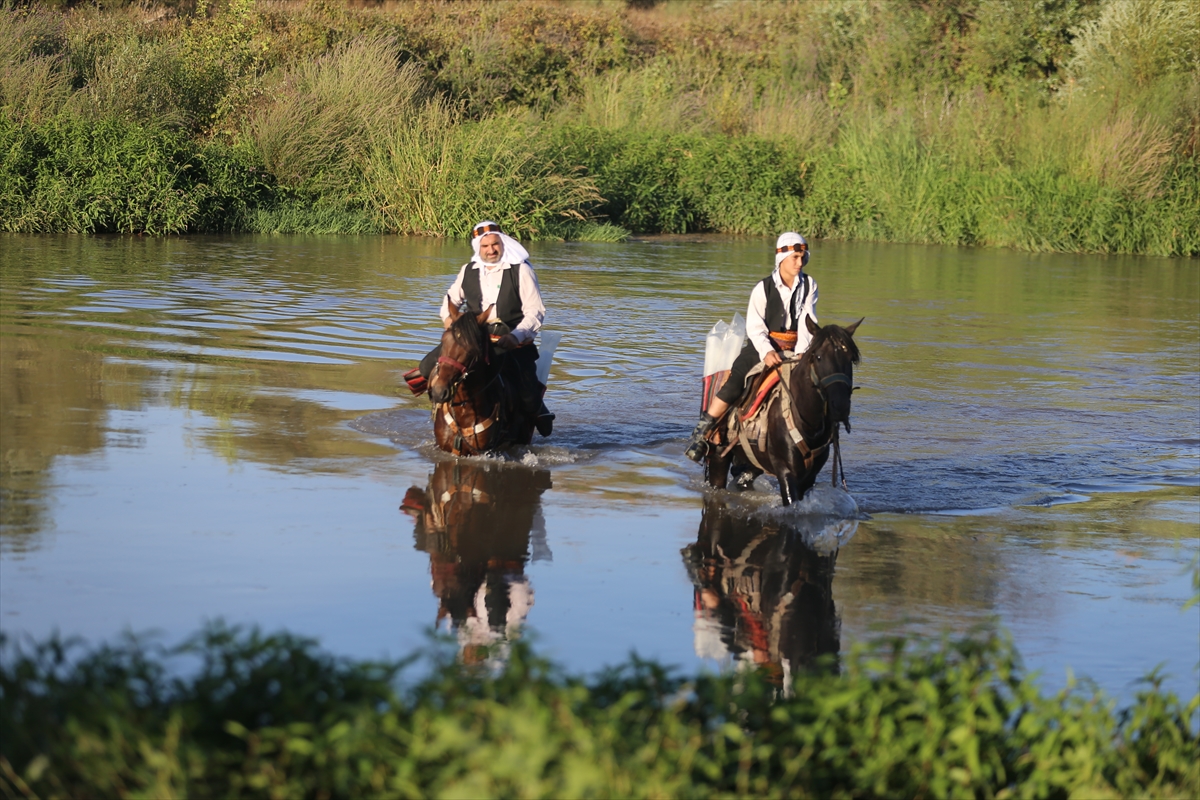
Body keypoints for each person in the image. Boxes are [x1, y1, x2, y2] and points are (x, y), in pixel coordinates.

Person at [684, 232, 818, 461]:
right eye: (795, 257)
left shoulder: (810, 285)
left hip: (797, 346)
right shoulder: (762, 288)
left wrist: (802, 353)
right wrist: (767, 352)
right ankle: (702, 432)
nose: (800, 262)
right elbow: (755, 327)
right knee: (737, 381)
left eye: (802, 258)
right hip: (762, 345)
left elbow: (809, 322)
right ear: (781, 259)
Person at [416, 220, 553, 435]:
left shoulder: (521, 271)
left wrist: (516, 337)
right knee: (426, 368)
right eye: (485, 246)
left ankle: (537, 412)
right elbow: (451, 298)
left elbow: (535, 311)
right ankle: (442, 411)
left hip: (509, 339)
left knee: (527, 393)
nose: (491, 250)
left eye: (495, 244)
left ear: (503, 243)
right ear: (478, 248)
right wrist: (449, 321)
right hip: (472, 337)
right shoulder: (468, 270)